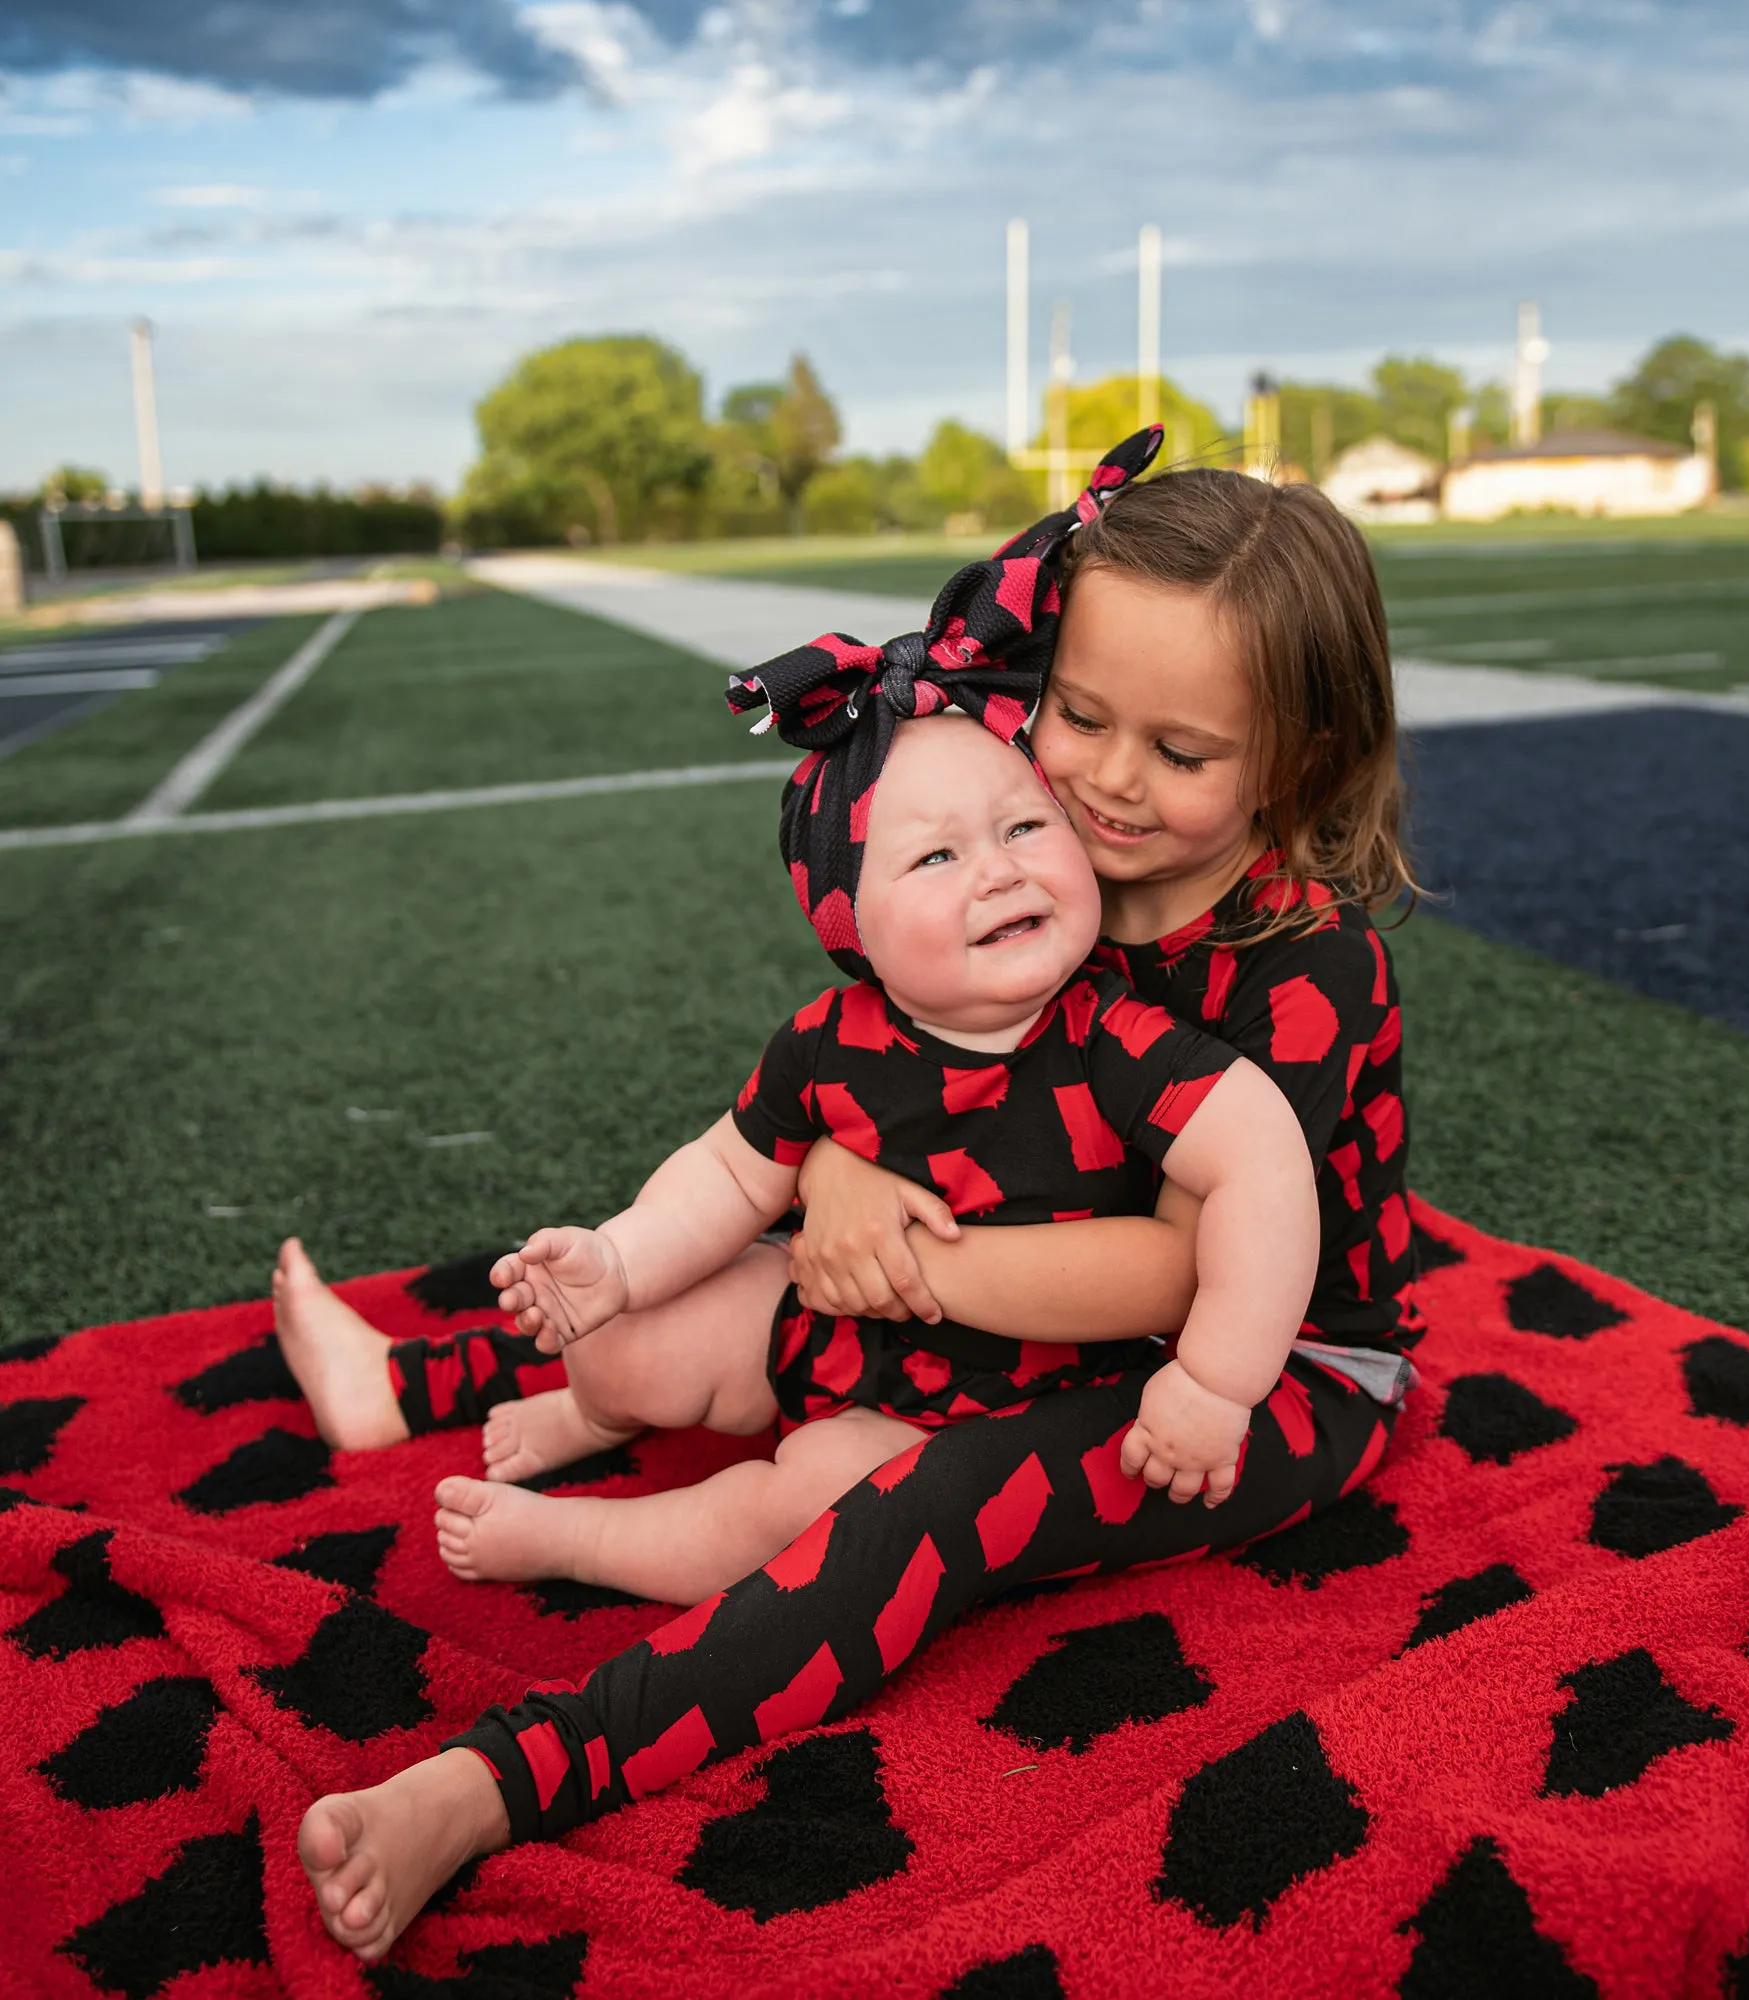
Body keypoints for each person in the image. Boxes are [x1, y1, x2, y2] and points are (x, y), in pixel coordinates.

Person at [292, 432, 1421, 1958]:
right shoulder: (1046, 859)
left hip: (1251, 1372)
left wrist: (894, 1259)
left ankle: (501, 1779)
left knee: (929, 1500)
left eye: (1182, 752)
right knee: (699, 1255)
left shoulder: (1306, 964)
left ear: (1297, 755)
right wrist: (835, 1167)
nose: (1102, 778)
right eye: (1077, 715)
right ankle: (410, 1388)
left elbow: (1180, 1273)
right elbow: (899, 1061)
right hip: (1019, 1287)